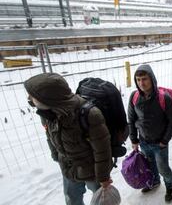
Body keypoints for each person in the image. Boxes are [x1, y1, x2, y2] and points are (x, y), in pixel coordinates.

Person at [24, 73, 113, 205]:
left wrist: (103, 176)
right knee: (72, 198)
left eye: (33, 96)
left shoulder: (89, 114)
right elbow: (49, 135)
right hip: (68, 168)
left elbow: (102, 150)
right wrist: (56, 155)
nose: (29, 99)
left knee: (100, 199)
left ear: (48, 98)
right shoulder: (48, 113)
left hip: (92, 170)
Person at [128, 64, 172, 202]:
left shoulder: (164, 98)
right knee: (150, 165)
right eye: (138, 80)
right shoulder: (134, 96)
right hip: (144, 141)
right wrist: (134, 140)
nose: (141, 83)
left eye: (144, 79)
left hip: (160, 143)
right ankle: (155, 182)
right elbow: (131, 119)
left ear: (152, 79)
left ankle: (170, 186)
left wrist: (165, 141)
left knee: (163, 168)